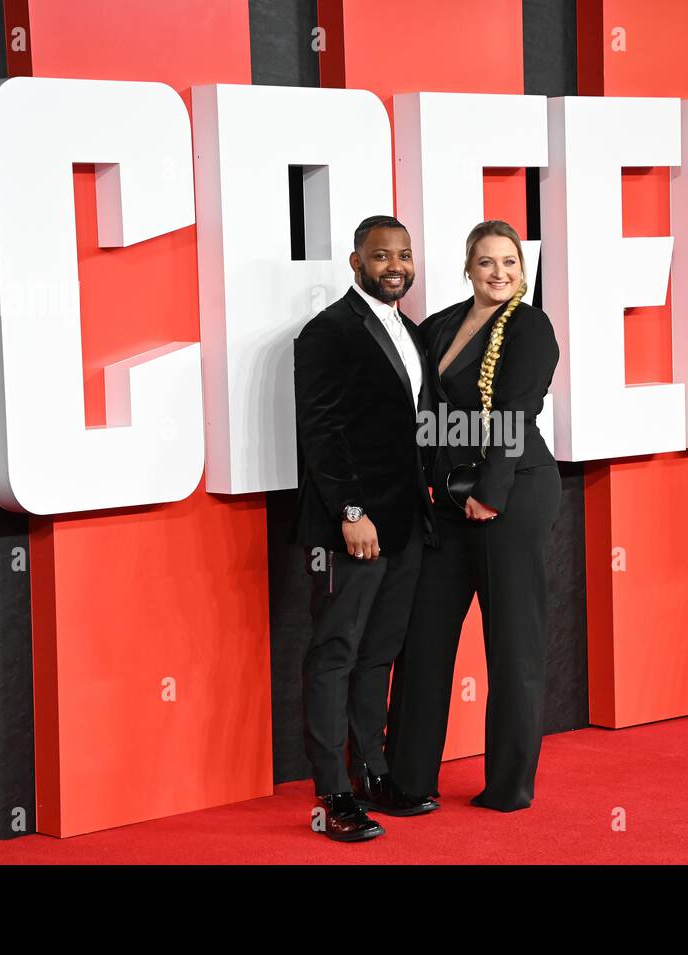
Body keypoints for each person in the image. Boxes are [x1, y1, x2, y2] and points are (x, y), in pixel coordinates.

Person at [385, 220, 561, 811]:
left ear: (522, 268)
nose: (499, 273)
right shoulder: (438, 326)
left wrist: (490, 492)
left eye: (509, 262)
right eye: (486, 262)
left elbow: (517, 412)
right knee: (424, 637)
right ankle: (409, 781)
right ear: (468, 267)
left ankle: (508, 787)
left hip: (510, 497)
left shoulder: (530, 328)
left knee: (512, 642)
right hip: (446, 505)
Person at [289, 214, 439, 841]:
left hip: (405, 525)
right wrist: (351, 512)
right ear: (356, 263)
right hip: (349, 528)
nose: (395, 266)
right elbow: (321, 433)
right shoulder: (326, 333)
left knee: (378, 654)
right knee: (335, 654)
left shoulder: (411, 332)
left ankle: (373, 773)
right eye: (382, 256)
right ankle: (333, 794)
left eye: (403, 254)